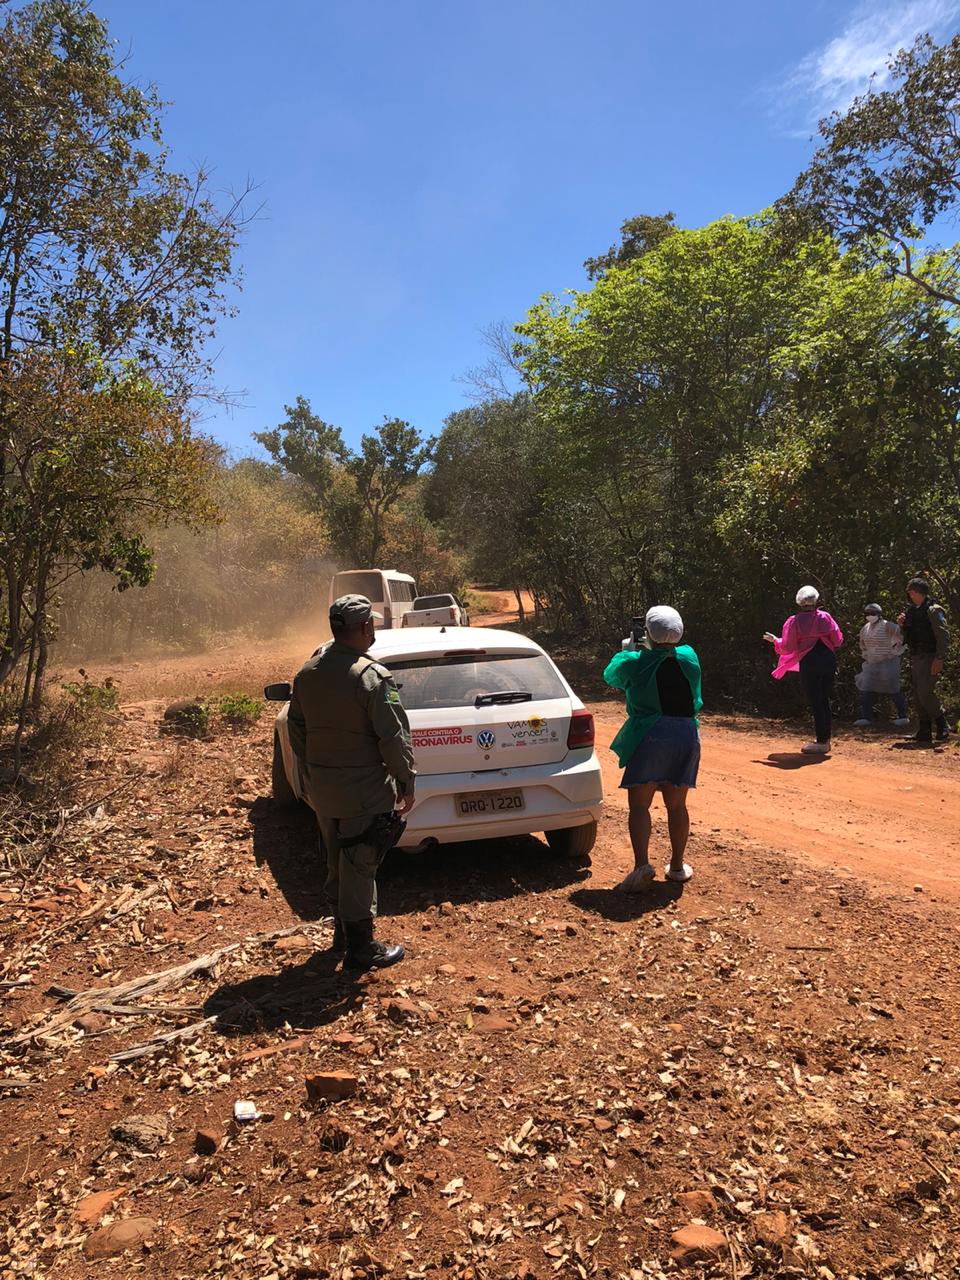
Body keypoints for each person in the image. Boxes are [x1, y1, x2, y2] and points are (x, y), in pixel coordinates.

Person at [287, 594, 416, 970]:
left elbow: (297, 728)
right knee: (360, 864)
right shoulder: (371, 677)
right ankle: (362, 948)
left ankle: (342, 936)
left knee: (336, 861)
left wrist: (313, 770)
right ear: (364, 628)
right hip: (364, 790)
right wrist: (406, 780)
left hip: (324, 790)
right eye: (371, 624)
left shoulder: (307, 674)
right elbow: (393, 737)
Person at [603, 606, 702, 890]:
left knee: (639, 806)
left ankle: (641, 866)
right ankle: (678, 866)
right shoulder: (690, 656)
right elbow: (671, 659)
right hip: (685, 734)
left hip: (650, 735)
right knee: (677, 805)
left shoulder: (635, 661)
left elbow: (612, 676)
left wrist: (629, 649)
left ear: (648, 632)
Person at [764, 585, 843, 754]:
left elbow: (788, 646)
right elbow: (837, 640)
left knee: (816, 700)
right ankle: (825, 739)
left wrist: (776, 641)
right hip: (828, 659)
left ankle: (821, 741)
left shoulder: (794, 621)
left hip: (810, 661)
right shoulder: (826, 617)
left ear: (799, 602)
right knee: (824, 699)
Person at [898, 578, 951, 744]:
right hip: (916, 655)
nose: (910, 595)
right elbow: (911, 632)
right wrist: (903, 624)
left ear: (918, 592)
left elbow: (943, 635)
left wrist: (939, 658)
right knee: (917, 694)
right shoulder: (913, 610)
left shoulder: (933, 610)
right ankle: (924, 729)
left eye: (911, 592)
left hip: (929, 656)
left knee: (925, 692)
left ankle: (943, 725)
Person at [853, 603, 909, 728]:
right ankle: (866, 717)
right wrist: (867, 655)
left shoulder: (887, 626)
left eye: (872, 613)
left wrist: (893, 652)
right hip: (871, 664)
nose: (870, 616)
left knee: (894, 690)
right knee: (866, 689)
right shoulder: (865, 628)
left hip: (888, 663)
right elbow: (863, 644)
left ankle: (903, 716)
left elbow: (902, 638)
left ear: (879, 614)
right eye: (867, 614)